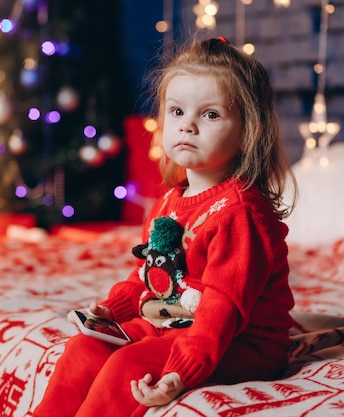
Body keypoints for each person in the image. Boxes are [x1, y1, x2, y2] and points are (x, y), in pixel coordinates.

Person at [32, 36, 298, 417]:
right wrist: (114, 310)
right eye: (176, 112)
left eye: (210, 115)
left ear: (248, 132)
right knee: (84, 349)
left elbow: (222, 309)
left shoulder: (241, 214)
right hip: (175, 322)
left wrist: (182, 371)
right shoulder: (171, 201)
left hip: (239, 341)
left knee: (127, 367)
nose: (187, 126)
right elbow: (152, 271)